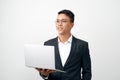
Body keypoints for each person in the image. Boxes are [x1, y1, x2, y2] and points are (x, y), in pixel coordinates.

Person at [36, 9, 92, 80]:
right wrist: (44, 75)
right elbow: (44, 71)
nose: (59, 24)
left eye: (64, 21)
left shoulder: (82, 45)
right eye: (57, 21)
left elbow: (87, 72)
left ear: (72, 25)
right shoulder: (48, 44)